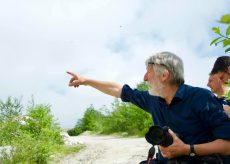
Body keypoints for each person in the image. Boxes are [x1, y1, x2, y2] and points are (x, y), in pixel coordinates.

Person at [67, 51, 230, 164]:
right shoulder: (153, 99)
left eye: (148, 72)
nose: (144, 78)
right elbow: (119, 90)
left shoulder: (202, 98)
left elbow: (227, 145)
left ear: (164, 75)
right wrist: (86, 80)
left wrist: (187, 149)